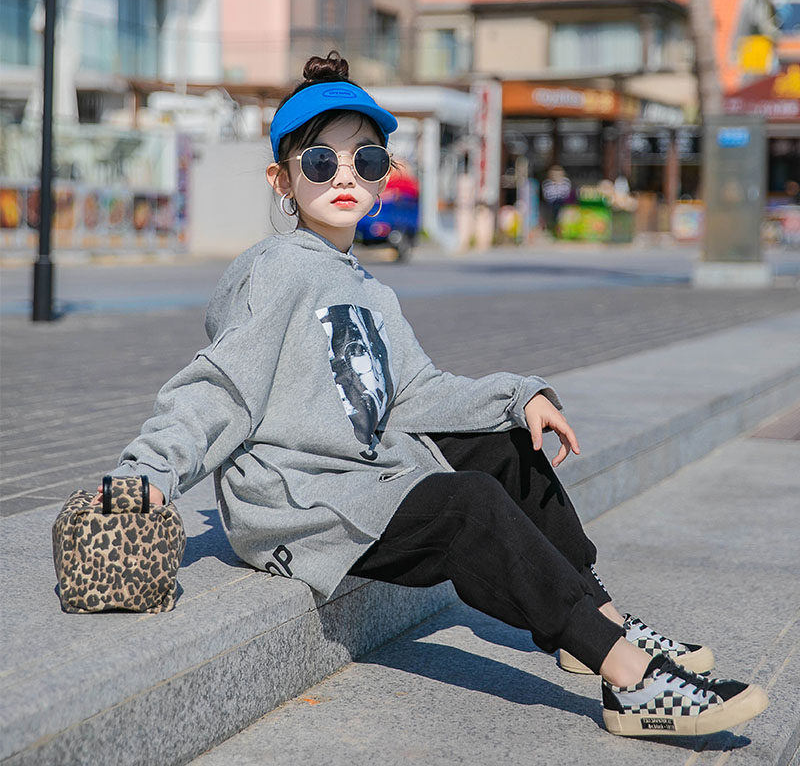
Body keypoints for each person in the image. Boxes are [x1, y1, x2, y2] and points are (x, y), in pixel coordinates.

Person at [97, 52, 768, 739]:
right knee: (469, 504)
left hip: (358, 480)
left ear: (383, 176)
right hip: (297, 503)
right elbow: (219, 386)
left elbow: (416, 392)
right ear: (283, 180)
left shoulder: (368, 288)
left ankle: (599, 624)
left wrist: (518, 399)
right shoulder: (273, 270)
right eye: (321, 162)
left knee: (508, 444)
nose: (345, 176)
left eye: (365, 160)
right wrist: (147, 471)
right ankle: (629, 679)